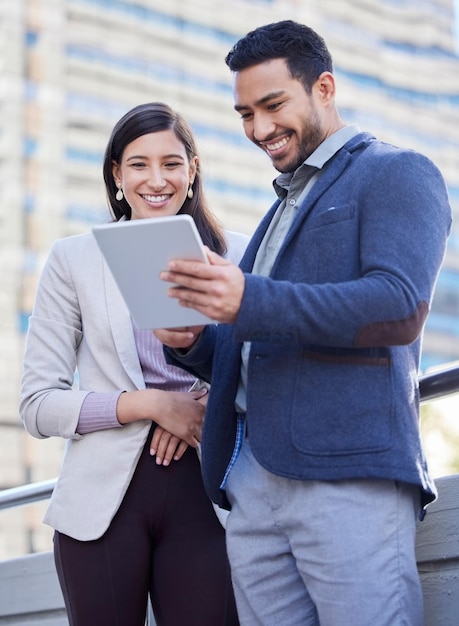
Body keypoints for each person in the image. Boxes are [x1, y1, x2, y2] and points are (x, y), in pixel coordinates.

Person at [154, 20, 453, 626]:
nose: (259, 129)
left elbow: (397, 306)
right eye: (244, 114)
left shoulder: (397, 172)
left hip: (345, 474)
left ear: (324, 86)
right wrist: (195, 342)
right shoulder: (278, 208)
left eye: (272, 105)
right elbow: (261, 332)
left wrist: (248, 300)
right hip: (251, 481)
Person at [20, 102, 247, 626]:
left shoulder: (238, 255)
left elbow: (268, 367)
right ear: (117, 176)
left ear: (192, 172)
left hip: (210, 495)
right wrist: (151, 405)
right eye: (138, 164)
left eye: (171, 163)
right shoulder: (74, 260)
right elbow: (37, 404)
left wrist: (205, 404)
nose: (156, 179)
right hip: (101, 508)